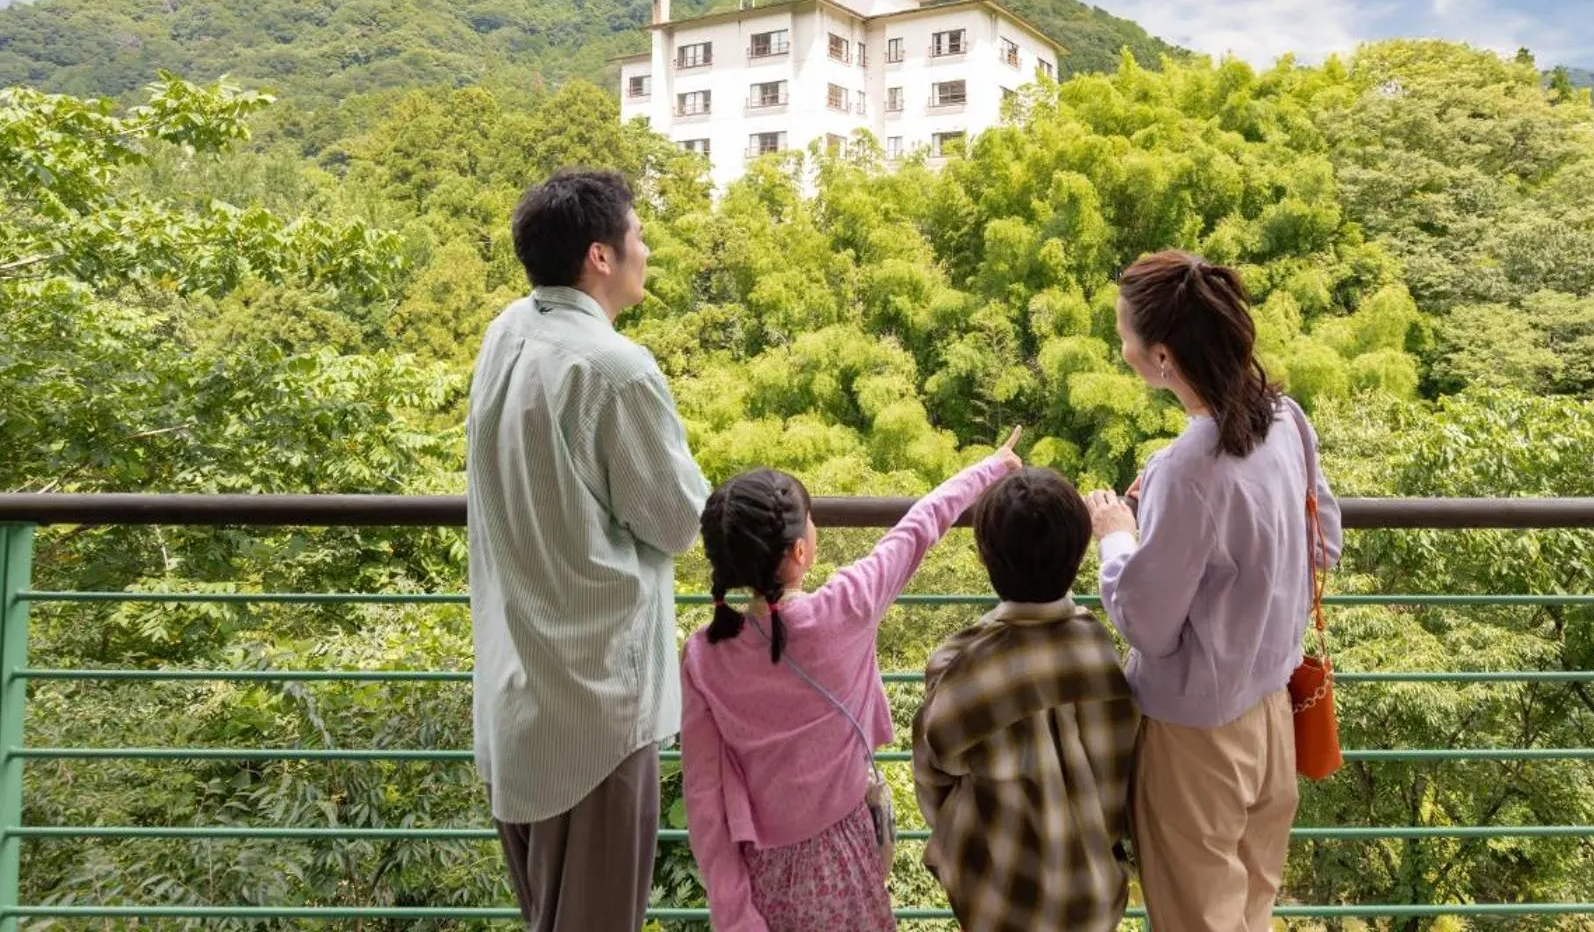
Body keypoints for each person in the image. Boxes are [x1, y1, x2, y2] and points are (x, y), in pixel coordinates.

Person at [465, 169, 711, 931]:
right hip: (597, 707)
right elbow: (678, 521)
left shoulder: (506, 333)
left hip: (516, 700)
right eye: (637, 233)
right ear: (600, 256)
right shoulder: (616, 370)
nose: (646, 246)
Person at [1085, 250, 1343, 931]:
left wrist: (1118, 533)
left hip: (1198, 738)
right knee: (1253, 908)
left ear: (1164, 357)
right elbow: (1325, 545)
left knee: (1200, 920)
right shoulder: (1287, 420)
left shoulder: (1186, 469)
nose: (1122, 351)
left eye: (1126, 339)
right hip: (1273, 714)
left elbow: (1148, 622)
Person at [679, 429, 1024, 932]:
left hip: (762, 872)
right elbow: (918, 527)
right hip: (846, 855)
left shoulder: (703, 656)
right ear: (799, 551)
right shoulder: (847, 607)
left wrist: (735, 915)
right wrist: (991, 467)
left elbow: (704, 796)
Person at [912, 468, 1139, 932]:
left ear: (982, 557)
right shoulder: (1098, 651)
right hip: (1095, 897)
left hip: (999, 897)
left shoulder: (961, 665)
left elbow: (931, 782)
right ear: (1079, 555)